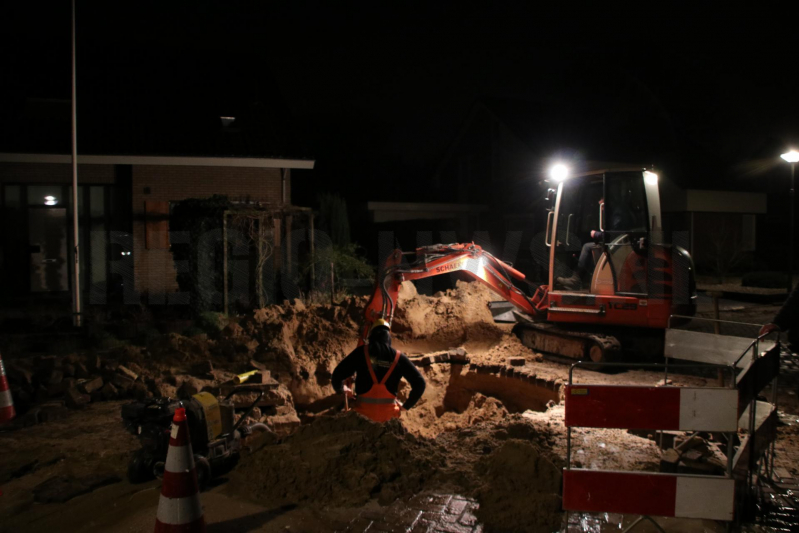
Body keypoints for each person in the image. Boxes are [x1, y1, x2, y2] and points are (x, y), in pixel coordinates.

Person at [332, 319, 426, 422]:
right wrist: (406, 406)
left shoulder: (361, 352)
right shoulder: (399, 357)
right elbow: (420, 383)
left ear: (371, 335)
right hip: (388, 419)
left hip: (362, 418)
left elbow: (337, 375)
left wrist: (341, 388)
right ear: (388, 337)